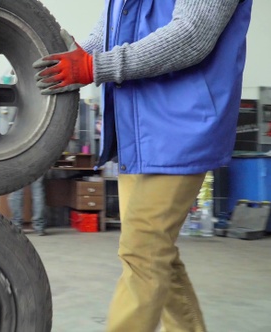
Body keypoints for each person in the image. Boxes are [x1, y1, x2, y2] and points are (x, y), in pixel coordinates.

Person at [33, 1, 252, 331]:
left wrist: (95, 66)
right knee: (153, 253)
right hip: (136, 129)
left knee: (143, 254)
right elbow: (109, 28)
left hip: (181, 124)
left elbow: (192, 35)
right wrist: (71, 59)